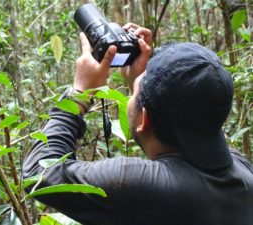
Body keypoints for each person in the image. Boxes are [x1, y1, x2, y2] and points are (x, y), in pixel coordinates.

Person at [23, 23, 253, 225]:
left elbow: (40, 176)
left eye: (135, 94)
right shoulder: (243, 172)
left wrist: (79, 93)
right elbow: (198, 112)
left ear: (145, 119)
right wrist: (145, 87)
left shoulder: (139, 185)